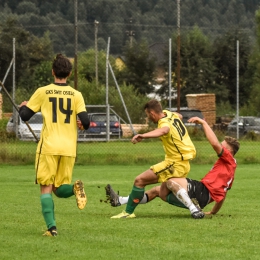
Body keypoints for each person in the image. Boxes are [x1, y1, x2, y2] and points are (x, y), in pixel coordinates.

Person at [106, 116, 240, 218]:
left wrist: (204, 123)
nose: (221, 147)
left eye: (224, 147)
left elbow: (215, 144)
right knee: (158, 191)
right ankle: (120, 200)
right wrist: (213, 212)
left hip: (203, 192)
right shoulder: (230, 168)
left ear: (230, 151)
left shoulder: (228, 159)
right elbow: (223, 194)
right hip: (204, 197)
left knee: (171, 180)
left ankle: (194, 209)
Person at [19, 54, 90, 236]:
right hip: (68, 148)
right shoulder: (76, 94)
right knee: (58, 189)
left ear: (53, 72)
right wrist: (80, 122)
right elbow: (86, 121)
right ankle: (75, 188)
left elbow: (25, 116)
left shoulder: (43, 91)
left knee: (46, 187)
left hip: (49, 146)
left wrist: (23, 106)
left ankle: (52, 228)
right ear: (69, 73)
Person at [110, 99, 197, 219]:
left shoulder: (163, 121)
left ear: (152, 113)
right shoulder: (169, 114)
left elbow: (164, 130)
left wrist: (143, 135)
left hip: (174, 164)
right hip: (184, 163)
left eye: (148, 116)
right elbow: (180, 116)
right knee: (161, 193)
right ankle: (120, 200)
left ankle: (128, 213)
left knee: (139, 181)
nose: (149, 119)